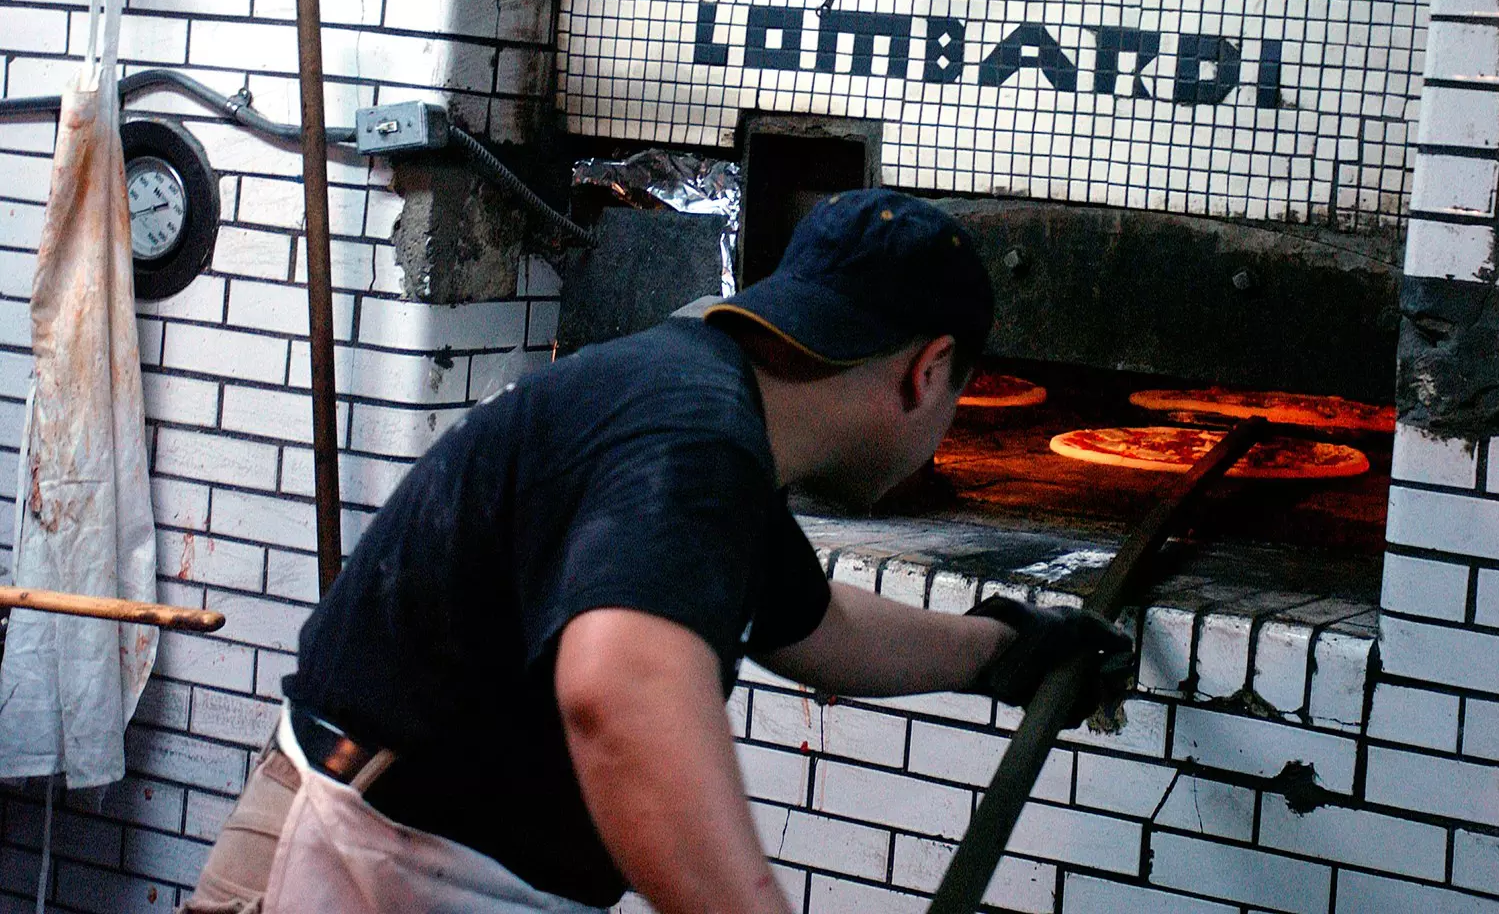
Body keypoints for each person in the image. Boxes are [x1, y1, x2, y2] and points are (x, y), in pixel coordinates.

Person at [183, 189, 1130, 913]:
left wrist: (1005, 650)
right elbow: (618, 693)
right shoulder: (699, 440)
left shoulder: (699, 409)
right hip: (362, 864)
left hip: (415, 854)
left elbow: (817, 624)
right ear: (928, 372)